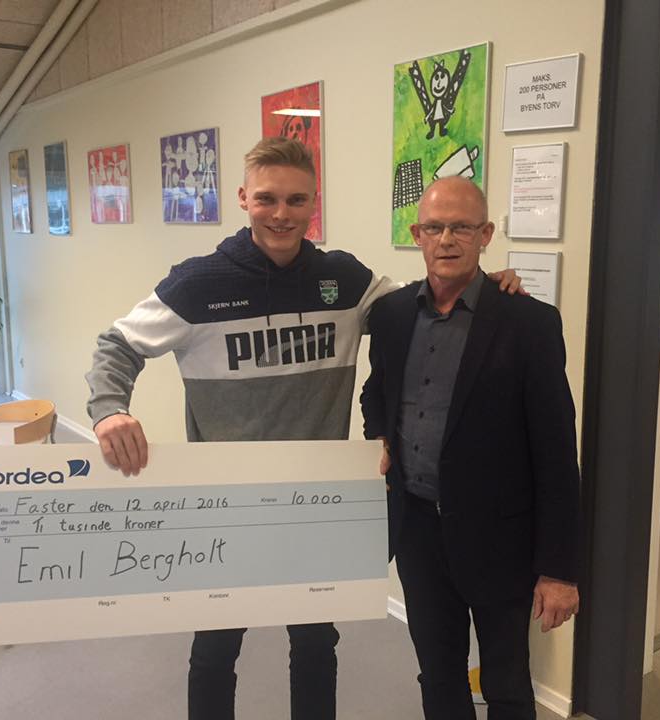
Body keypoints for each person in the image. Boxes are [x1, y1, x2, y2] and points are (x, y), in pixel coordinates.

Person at [85, 138, 522, 720]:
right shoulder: (198, 284)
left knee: (316, 642)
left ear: (314, 203)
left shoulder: (344, 280)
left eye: (296, 200)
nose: (281, 213)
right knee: (216, 645)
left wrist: (485, 288)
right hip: (227, 504)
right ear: (243, 198)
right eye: (267, 198)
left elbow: (422, 307)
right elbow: (117, 344)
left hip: (315, 503)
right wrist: (110, 409)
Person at [360, 176, 580, 720]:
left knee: (506, 682)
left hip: (500, 537)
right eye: (435, 227)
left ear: (486, 235)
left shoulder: (528, 322)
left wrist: (558, 569)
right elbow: (375, 392)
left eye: (461, 227)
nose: (447, 239)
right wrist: (381, 434)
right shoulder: (390, 316)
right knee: (438, 675)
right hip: (417, 530)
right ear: (417, 234)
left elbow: (556, 450)